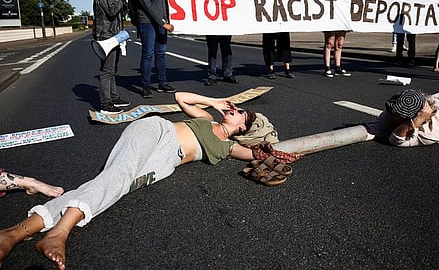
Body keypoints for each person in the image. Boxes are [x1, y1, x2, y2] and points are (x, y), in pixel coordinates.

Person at [0, 91, 302, 269]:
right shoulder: (205, 119)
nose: (233, 111)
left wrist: (286, 152)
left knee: (112, 187)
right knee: (116, 178)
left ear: (242, 129)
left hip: (164, 163)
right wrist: (216, 101)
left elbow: (261, 154)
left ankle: (13, 234)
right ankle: (59, 233)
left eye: (240, 114)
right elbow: (180, 97)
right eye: (236, 108)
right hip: (157, 133)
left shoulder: (230, 147)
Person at [190, 0, 248, 86]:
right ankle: (212, 75)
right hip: (210, 21)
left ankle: (228, 74)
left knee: (226, 49)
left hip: (225, 21)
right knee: (212, 49)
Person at [129, 0, 175, 99]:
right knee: (148, 54)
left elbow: (164, 2)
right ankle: (146, 86)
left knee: (161, 54)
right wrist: (163, 23)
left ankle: (163, 83)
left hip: (161, 24)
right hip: (147, 24)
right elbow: (147, 7)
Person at [365, 89, 439, 147]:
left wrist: (417, 121)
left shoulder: (432, 132)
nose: (388, 115)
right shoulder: (397, 109)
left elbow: (396, 140)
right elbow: (378, 125)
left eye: (394, 115)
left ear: (410, 120)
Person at [92, 0, 130, 115]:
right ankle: (105, 104)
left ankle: (113, 97)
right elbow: (112, 11)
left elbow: (123, 12)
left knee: (113, 69)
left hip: (115, 34)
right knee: (107, 71)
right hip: (106, 35)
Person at [262, 0, 295, 79]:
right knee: (269, 46)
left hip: (281, 21)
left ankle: (287, 69)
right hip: (268, 22)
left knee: (285, 45)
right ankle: (270, 69)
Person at [323, 0, 351, 77]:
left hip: (342, 18)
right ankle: (327, 67)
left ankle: (338, 67)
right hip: (330, 18)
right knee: (329, 43)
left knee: (339, 44)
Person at [395, 0, 423, 67]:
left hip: (411, 17)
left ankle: (411, 59)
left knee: (411, 39)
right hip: (401, 16)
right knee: (400, 38)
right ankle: (399, 58)